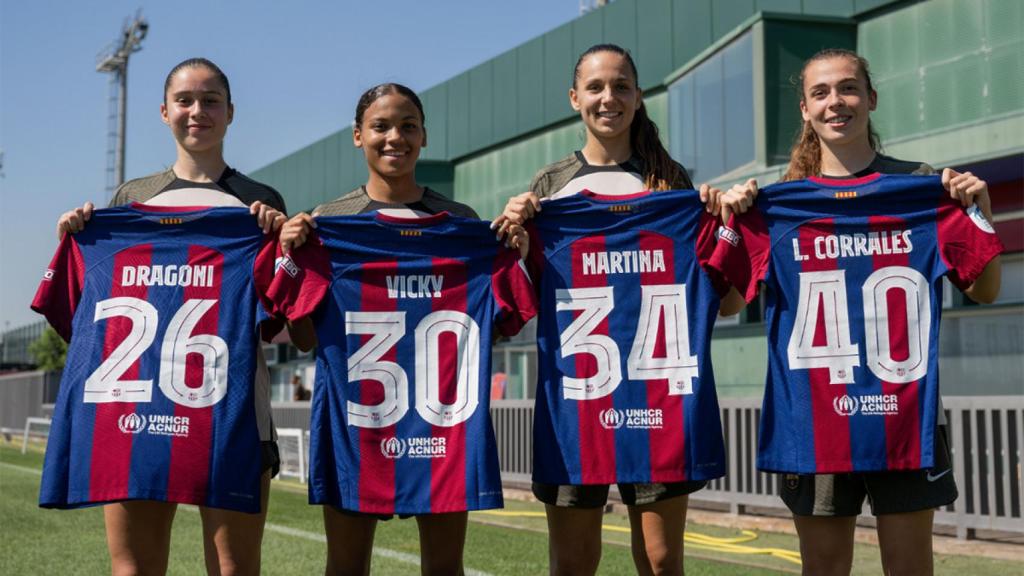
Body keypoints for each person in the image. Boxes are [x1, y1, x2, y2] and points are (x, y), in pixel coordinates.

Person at [718, 48, 1002, 576]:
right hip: (813, 418)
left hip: (904, 415)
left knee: (910, 567)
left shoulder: (924, 188)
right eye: (820, 93)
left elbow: (985, 291)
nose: (836, 102)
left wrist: (980, 213)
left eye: (847, 88)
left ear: (870, 98)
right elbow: (730, 304)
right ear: (804, 109)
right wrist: (733, 222)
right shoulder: (776, 205)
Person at [493, 44, 748, 576]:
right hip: (576, 404)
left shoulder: (673, 184)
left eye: (621, 86)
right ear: (574, 98)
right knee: (572, 563)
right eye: (595, 87)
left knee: (660, 561)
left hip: (658, 400)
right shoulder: (548, 190)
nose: (608, 98)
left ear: (638, 96)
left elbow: (728, 304)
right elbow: (516, 306)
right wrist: (512, 242)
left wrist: (722, 224)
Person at [280, 82, 531, 576]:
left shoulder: (462, 225)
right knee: (346, 567)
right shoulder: (329, 224)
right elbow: (307, 339)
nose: (395, 136)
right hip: (357, 426)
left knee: (444, 568)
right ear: (357, 136)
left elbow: (488, 331)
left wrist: (512, 255)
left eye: (407, 126)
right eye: (381, 126)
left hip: (442, 426)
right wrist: (293, 256)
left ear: (424, 137)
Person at [55, 57, 285, 576]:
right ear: (164, 111)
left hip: (232, 416)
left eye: (210, 101)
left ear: (230, 113)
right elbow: (94, 319)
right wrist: (76, 242)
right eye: (185, 100)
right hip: (138, 412)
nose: (196, 111)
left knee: (234, 569)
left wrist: (283, 245)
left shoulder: (260, 204)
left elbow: (280, 322)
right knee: (134, 568)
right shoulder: (127, 202)